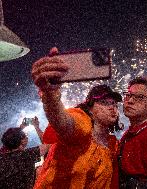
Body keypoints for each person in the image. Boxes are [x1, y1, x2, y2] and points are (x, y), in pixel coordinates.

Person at [31, 48, 122, 189]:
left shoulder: (113, 144)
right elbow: (63, 122)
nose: (112, 108)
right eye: (104, 103)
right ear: (90, 109)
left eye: (114, 104)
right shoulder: (82, 125)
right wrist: (51, 94)